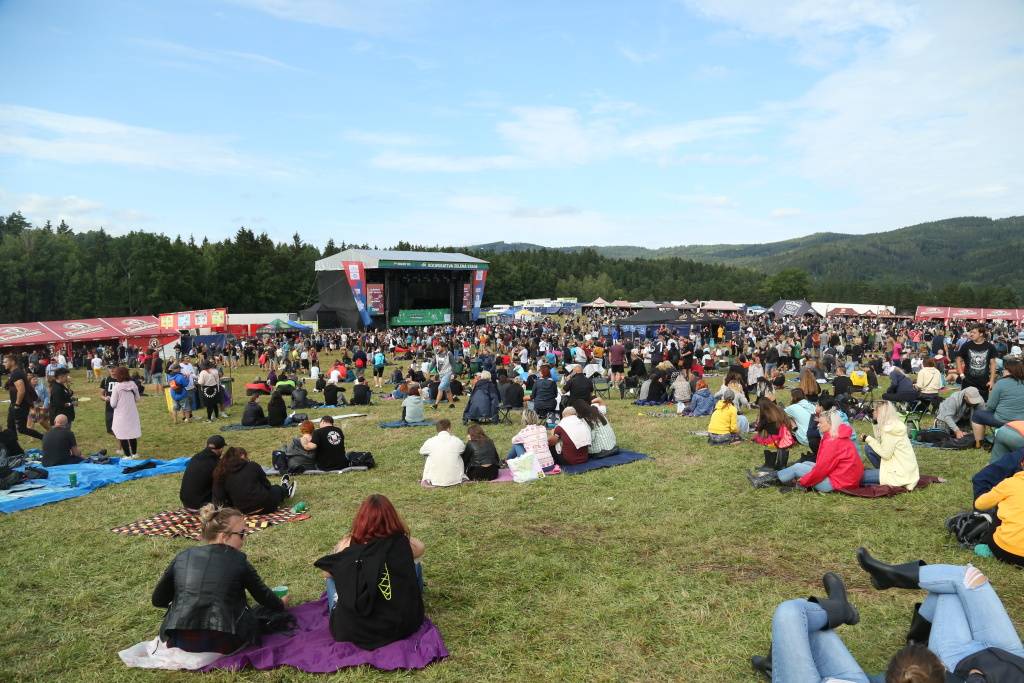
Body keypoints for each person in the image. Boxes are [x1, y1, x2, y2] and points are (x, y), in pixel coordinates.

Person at [751, 549, 1024, 682]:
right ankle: (891, 578)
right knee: (964, 582)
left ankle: (838, 610)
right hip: (1007, 660)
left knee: (790, 615)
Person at [151, 504, 288, 654]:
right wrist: (281, 604)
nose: (244, 539)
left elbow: (158, 599)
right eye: (241, 534)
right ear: (224, 537)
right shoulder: (239, 560)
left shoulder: (183, 557)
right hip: (226, 641)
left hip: (179, 640)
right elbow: (264, 597)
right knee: (262, 613)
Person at [314, 494, 425, 650]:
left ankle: (339, 606)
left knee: (332, 578)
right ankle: (410, 599)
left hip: (354, 631)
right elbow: (420, 548)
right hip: (401, 625)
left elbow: (326, 572)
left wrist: (343, 546)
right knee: (415, 565)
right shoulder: (401, 544)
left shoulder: (351, 549)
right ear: (392, 518)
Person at [748, 409, 863, 492]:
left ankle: (762, 481)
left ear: (830, 424)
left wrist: (803, 481)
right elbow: (823, 467)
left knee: (798, 467)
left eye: (820, 423)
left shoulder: (833, 442)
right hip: (846, 480)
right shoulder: (837, 436)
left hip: (838, 484)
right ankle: (770, 479)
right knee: (806, 464)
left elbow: (821, 470)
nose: (817, 425)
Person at [213, 446, 296, 514]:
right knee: (276, 489)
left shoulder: (220, 473)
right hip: (266, 506)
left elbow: (219, 497)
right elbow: (267, 485)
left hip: (243, 510)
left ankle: (284, 487)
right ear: (242, 456)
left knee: (274, 490)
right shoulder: (252, 466)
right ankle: (285, 490)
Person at [860, 401, 920, 488]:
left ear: (880, 413)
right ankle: (880, 473)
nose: (873, 412)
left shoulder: (890, 430)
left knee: (858, 477)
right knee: (869, 448)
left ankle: (883, 477)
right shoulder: (893, 424)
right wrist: (875, 422)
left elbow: (886, 454)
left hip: (899, 474)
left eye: (875, 410)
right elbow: (880, 441)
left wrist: (868, 439)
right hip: (902, 468)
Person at [975, 465, 1024, 566]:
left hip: (1002, 551)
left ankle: (986, 546)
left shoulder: (1010, 483)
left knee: (999, 505)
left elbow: (980, 504)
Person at [971, 358, 1024, 449]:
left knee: (977, 415)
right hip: (1022, 421)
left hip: (1003, 420)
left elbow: (990, 407)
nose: (1003, 371)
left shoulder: (1001, 383)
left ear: (1009, 371)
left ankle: (979, 443)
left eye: (1004, 369)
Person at [179, 435, 226, 510]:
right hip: (201, 504)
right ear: (221, 449)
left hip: (186, 501)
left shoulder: (196, 457)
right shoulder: (215, 463)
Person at [4, 354, 42, 440]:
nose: (3, 363)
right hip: (15, 404)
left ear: (13, 362)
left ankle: (45, 438)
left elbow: (21, 391)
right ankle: (13, 446)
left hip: (20, 405)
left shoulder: (16, 373)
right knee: (11, 426)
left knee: (22, 429)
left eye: (6, 362)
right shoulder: (15, 373)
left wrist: (17, 405)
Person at [957, 323, 998, 400]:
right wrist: (961, 374)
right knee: (966, 405)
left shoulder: (990, 347)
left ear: (981, 334)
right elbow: (958, 360)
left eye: (974, 332)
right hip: (968, 381)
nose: (971, 334)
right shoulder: (966, 346)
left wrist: (991, 380)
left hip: (983, 383)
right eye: (971, 332)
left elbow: (993, 364)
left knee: (981, 406)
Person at [419, 419, 466, 486]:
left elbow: (422, 451)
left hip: (435, 480)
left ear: (437, 430)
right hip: (456, 479)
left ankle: (426, 479)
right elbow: (463, 450)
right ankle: (462, 476)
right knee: (459, 454)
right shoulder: (457, 440)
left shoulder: (430, 441)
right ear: (449, 428)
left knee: (428, 455)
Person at [752, 397, 795, 472]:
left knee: (767, 442)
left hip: (775, 436)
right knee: (783, 449)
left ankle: (770, 465)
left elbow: (759, 427)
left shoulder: (765, 415)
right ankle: (780, 465)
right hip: (785, 433)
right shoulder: (778, 409)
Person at [109, 366, 142, 457]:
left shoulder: (117, 387)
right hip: (132, 412)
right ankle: (134, 453)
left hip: (121, 414)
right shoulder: (133, 384)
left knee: (122, 434)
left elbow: (113, 404)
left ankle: (127, 455)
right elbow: (138, 398)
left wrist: (110, 398)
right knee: (132, 433)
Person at [430, 344, 457, 409]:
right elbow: (433, 362)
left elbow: (453, 364)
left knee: (440, 388)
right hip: (441, 374)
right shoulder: (437, 353)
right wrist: (429, 370)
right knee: (447, 390)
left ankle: (435, 405)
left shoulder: (449, 354)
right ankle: (452, 404)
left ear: (443, 347)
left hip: (448, 373)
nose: (437, 348)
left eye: (439, 346)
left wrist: (453, 374)